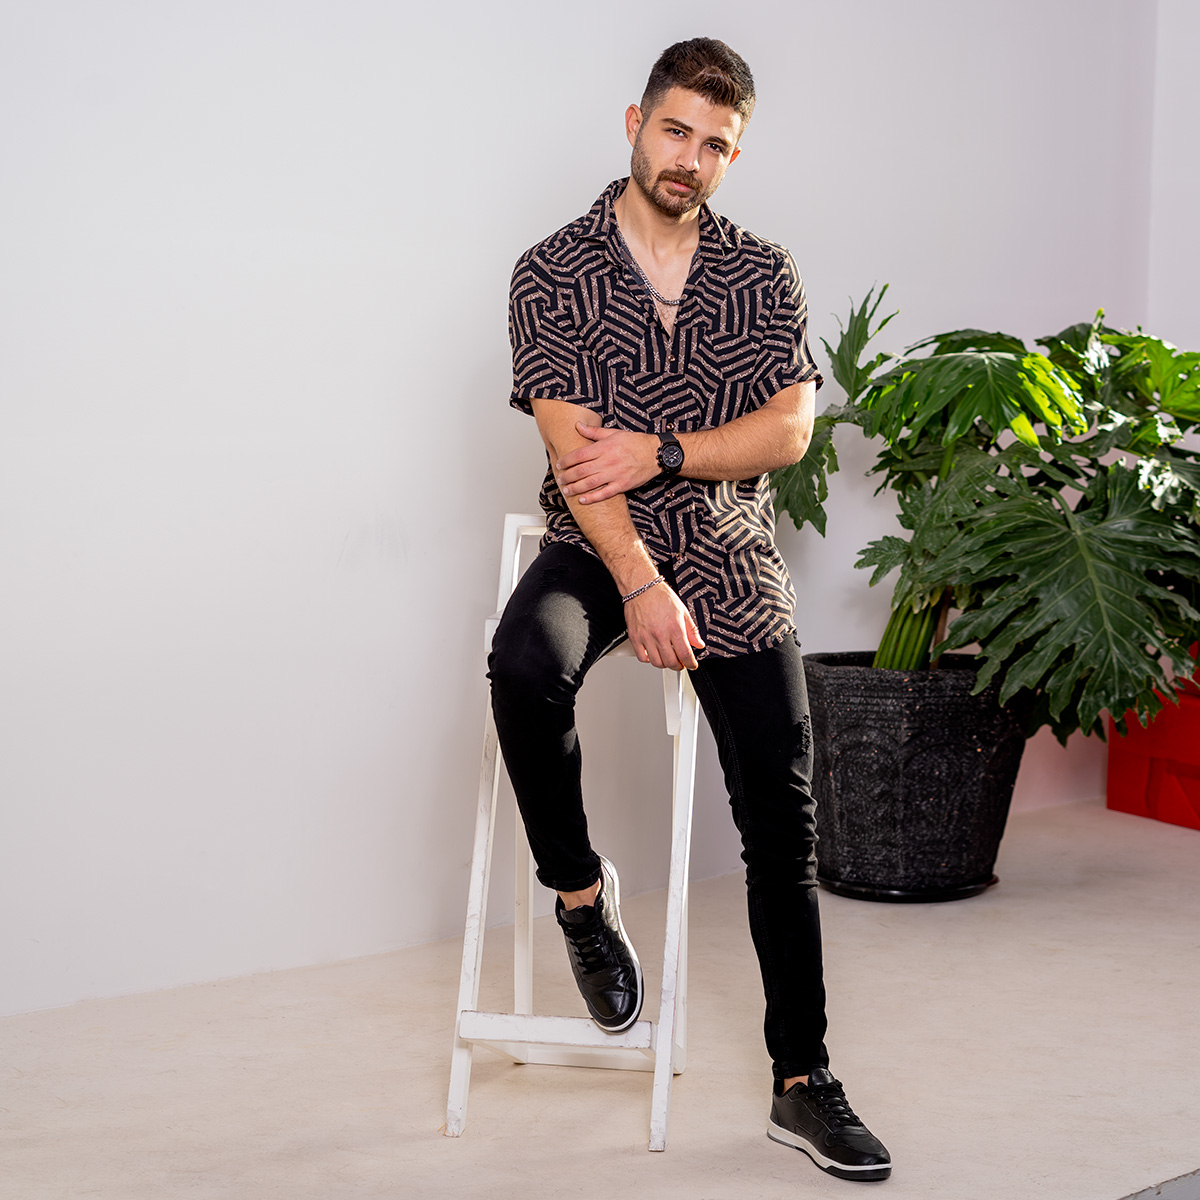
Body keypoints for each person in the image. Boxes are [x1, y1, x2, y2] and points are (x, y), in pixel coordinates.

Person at [489, 37, 891, 1182]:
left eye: (716, 144)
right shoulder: (551, 270)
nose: (691, 159)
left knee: (781, 804)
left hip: (726, 543)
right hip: (597, 542)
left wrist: (665, 448)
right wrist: (638, 583)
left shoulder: (762, 273)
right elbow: (578, 458)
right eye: (676, 131)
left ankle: (803, 1081)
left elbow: (790, 430)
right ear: (635, 123)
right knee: (523, 666)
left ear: (732, 156)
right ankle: (580, 900)